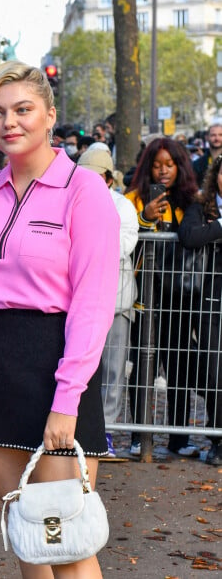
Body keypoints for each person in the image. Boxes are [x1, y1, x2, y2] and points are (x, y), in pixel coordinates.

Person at [0, 61, 119, 579]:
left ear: (49, 114)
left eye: (23, 109)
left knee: (67, 540)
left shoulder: (84, 191)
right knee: (28, 534)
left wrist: (66, 400)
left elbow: (93, 303)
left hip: (54, 368)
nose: (10, 122)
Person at [125, 137, 201, 457]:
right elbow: (124, 239)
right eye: (157, 165)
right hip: (144, 298)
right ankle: (138, 438)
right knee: (142, 367)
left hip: (179, 299)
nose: (163, 172)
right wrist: (145, 219)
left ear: (180, 166)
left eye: (169, 165)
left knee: (180, 368)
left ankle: (179, 439)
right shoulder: (131, 200)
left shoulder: (191, 202)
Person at [78, 148, 138, 458]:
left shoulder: (122, 205)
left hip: (116, 301)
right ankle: (83, 431)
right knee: (81, 369)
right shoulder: (72, 199)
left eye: (94, 175)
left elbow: (126, 242)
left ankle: (107, 432)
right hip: (79, 302)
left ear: (108, 178)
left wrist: (91, 243)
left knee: (114, 371)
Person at [178, 153, 222, 466]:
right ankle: (217, 439)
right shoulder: (201, 205)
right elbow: (189, 237)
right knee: (213, 373)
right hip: (210, 303)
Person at [193, 122, 222, 188]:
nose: (217, 138)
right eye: (213, 135)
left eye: (220, 135)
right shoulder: (197, 164)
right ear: (207, 137)